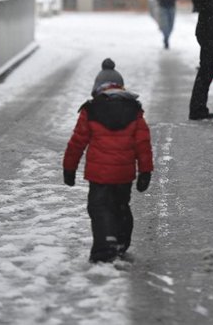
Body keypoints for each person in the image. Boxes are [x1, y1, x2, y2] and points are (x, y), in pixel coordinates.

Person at [63, 58, 154, 263]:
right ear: (120, 87)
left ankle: (105, 245)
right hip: (124, 174)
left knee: (99, 206)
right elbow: (143, 144)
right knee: (121, 205)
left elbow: (77, 142)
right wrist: (145, 171)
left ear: (97, 88)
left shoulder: (91, 110)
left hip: (100, 175)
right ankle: (121, 241)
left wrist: (69, 168)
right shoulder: (134, 109)